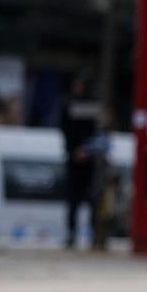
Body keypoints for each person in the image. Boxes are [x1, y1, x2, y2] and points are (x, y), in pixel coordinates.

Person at [59, 76, 101, 248]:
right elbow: (65, 130)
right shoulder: (68, 104)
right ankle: (71, 234)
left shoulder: (91, 106)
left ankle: (93, 234)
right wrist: (74, 150)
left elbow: (96, 131)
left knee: (92, 199)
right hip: (73, 159)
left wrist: (87, 150)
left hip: (90, 161)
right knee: (73, 201)